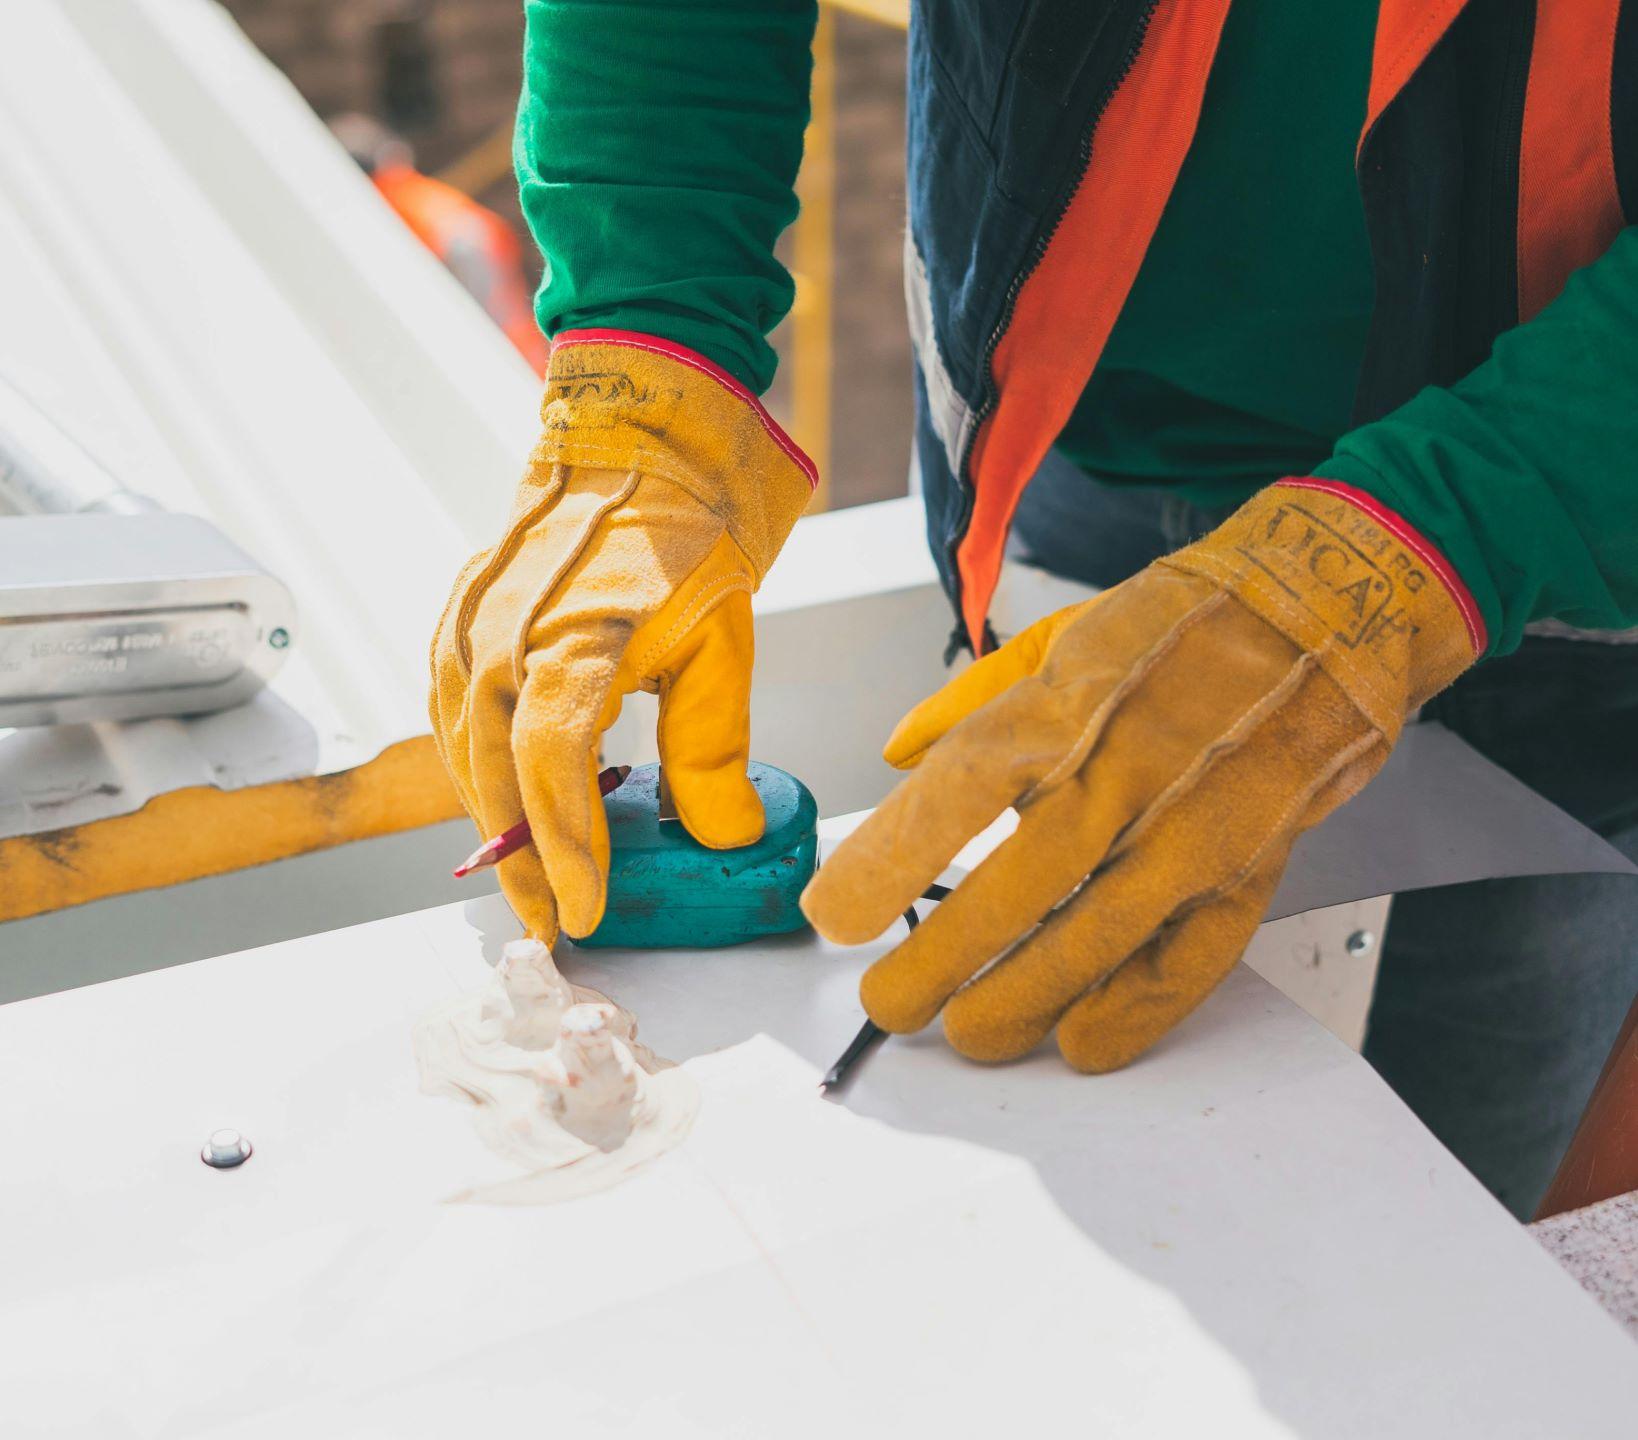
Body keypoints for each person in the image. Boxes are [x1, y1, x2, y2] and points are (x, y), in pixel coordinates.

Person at [428, 1, 1638, 1220]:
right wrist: (648, 364)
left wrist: (1464, 524)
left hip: (1571, 537)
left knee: (1447, 1234)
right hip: (1065, 431)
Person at [330, 112, 549, 374]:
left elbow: (482, 295)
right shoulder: (413, 198)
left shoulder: (403, 206)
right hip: (515, 352)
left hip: (505, 358)